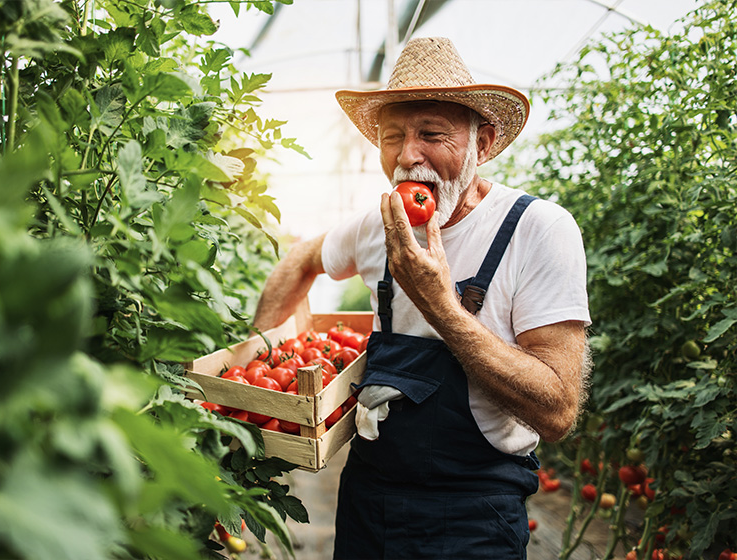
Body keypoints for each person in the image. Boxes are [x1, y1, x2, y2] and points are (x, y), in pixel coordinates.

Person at [252, 37, 591, 560]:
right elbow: (300, 259)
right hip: (370, 499)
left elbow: (558, 409)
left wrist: (440, 305)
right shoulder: (375, 227)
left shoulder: (537, 229)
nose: (409, 156)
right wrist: (263, 379)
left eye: (432, 134)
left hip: (476, 511)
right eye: (393, 138)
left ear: (483, 142)